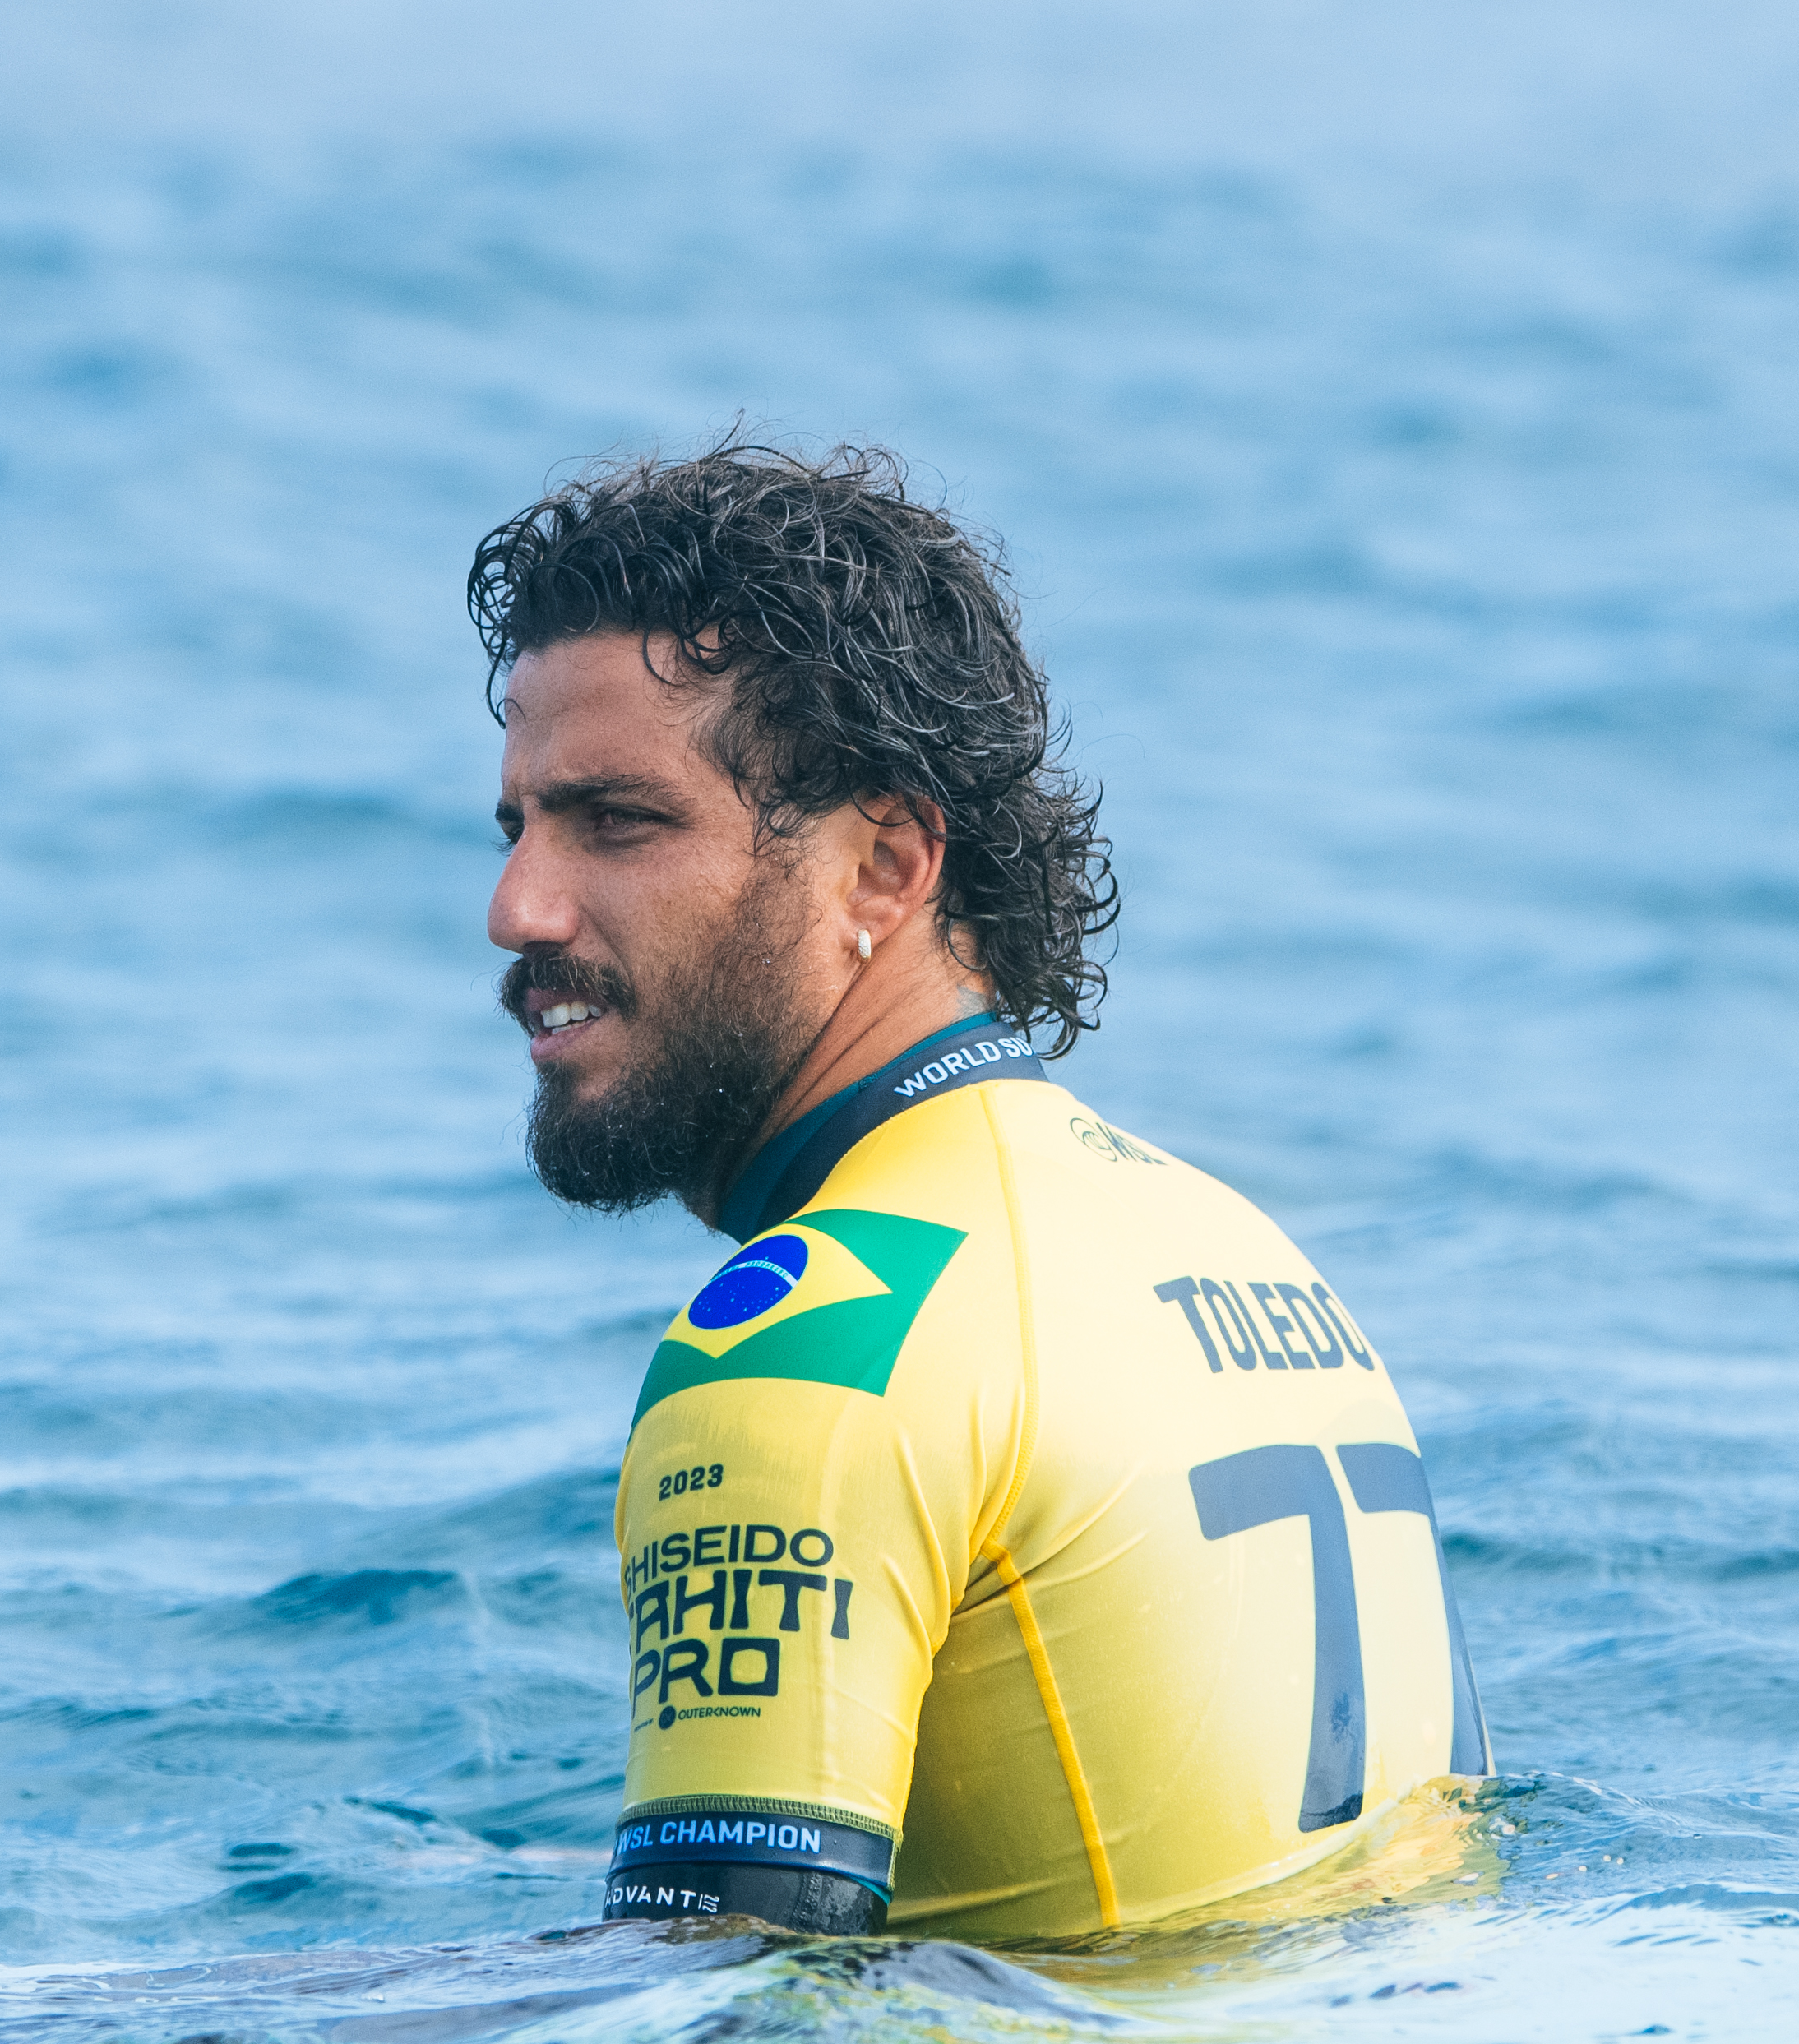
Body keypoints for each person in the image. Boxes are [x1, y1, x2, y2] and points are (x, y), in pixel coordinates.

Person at [473, 444, 1487, 1940]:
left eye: (616, 820)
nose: (517, 907)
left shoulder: (808, 1345)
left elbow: (719, 2002)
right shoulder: (1238, 1250)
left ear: (882, 866)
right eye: (515, 828)